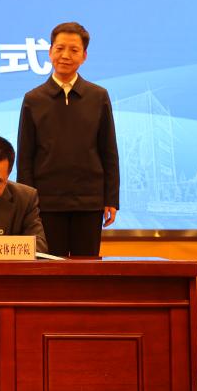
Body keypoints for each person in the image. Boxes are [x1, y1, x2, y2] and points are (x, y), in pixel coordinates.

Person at [16, 21, 119, 257]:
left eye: (74, 50)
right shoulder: (33, 99)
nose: (65, 55)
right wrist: (26, 202)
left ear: (84, 56)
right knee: (50, 268)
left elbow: (109, 151)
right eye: (60, 48)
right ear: (50, 51)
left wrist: (111, 198)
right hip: (46, 203)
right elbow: (26, 156)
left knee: (87, 268)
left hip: (89, 201)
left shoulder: (98, 96)